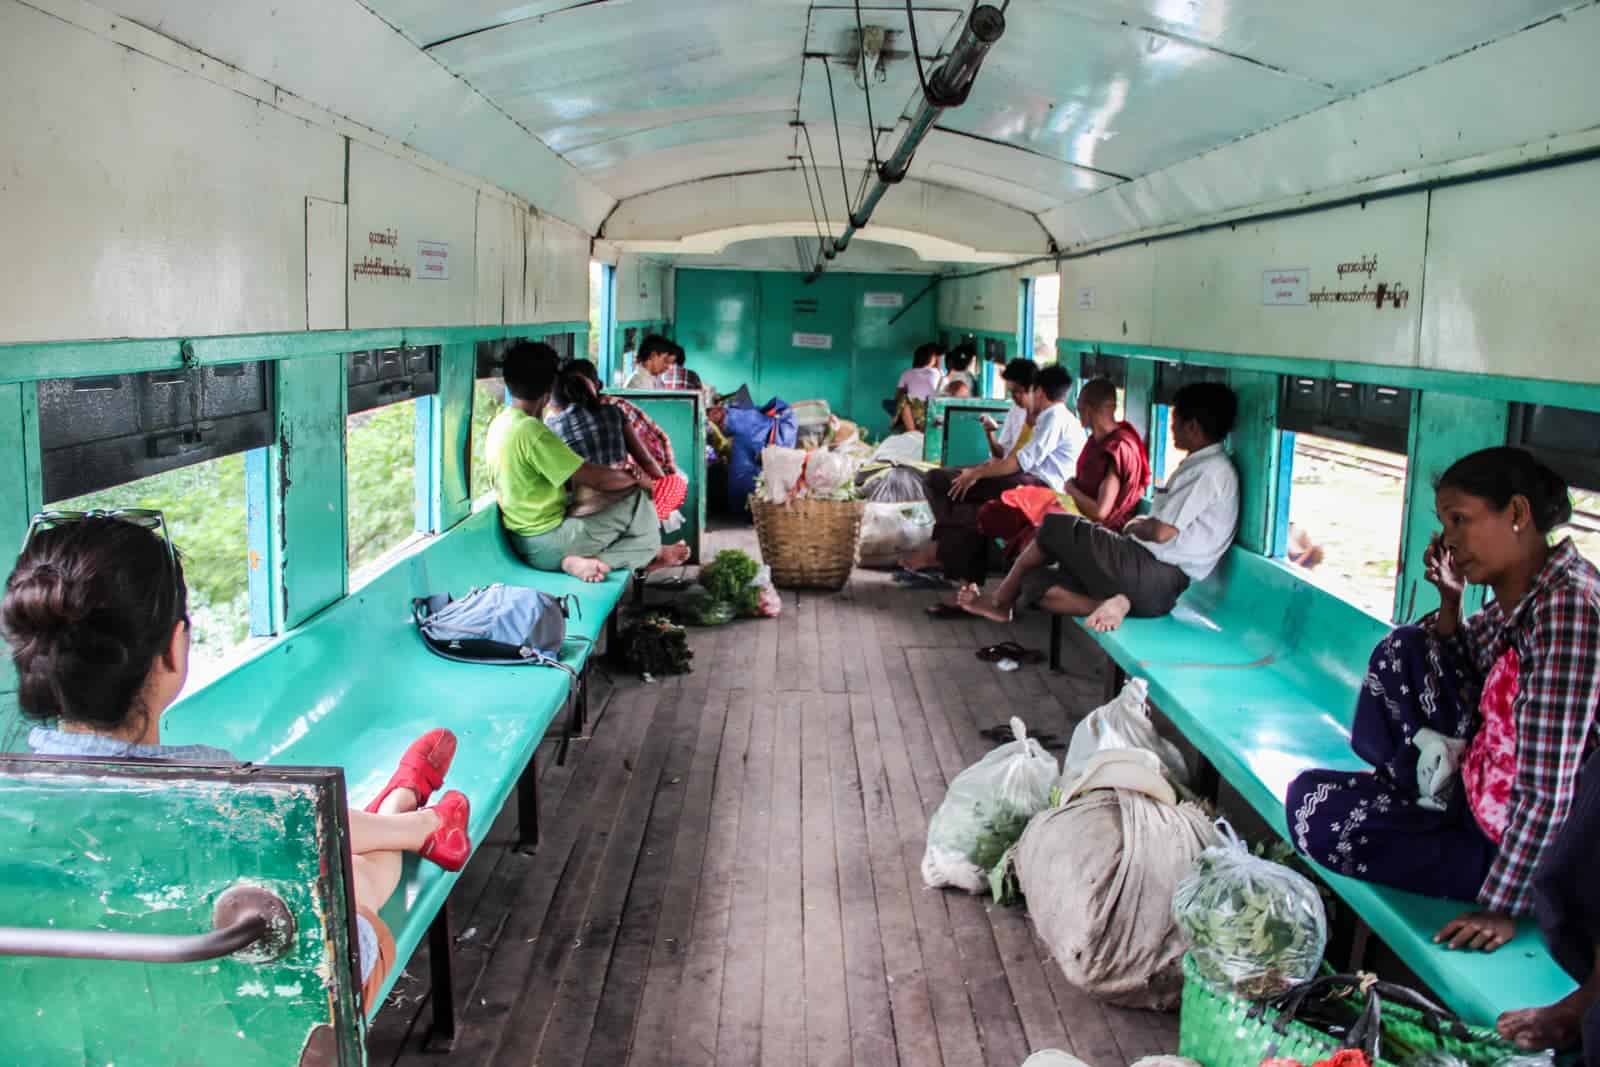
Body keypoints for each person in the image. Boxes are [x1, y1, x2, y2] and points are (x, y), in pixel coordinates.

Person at [1, 514, 474, 1011]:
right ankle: (411, 813)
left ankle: (410, 814)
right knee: (351, 884)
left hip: (82, 1016)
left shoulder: (20, 803)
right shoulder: (222, 791)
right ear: (172, 650)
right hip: (247, 1011)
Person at [1283, 448, 1600, 989]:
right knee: (1403, 651)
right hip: (1476, 798)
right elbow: (1452, 665)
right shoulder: (1524, 596)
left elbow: (1549, 787)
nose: (1449, 539)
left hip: (1521, 846)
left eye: (1460, 520)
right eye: (1444, 524)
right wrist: (1451, 602)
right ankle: (1417, 788)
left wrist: (1501, 906)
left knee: (1322, 818)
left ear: (1517, 513)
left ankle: (1449, 832)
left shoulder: (1567, 614)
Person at [957, 381, 1238, 632]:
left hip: (1154, 575)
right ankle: (1110, 603)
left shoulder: (1210, 472)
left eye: (1175, 420)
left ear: (1193, 427)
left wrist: (1135, 525)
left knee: (1055, 526)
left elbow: (1161, 532)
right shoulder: (1201, 467)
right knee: (1034, 582)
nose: (1172, 427)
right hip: (1146, 583)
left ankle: (999, 602)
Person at [486, 342, 685, 582]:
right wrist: (636, 479)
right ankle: (620, 558)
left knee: (630, 513)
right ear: (549, 387)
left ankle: (630, 555)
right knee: (639, 506)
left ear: (508, 381)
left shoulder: (501, 424)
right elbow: (598, 479)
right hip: (549, 543)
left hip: (524, 538)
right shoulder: (533, 432)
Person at [900, 364, 1084, 590]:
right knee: (966, 508)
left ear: (1039, 392)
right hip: (1025, 478)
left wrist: (975, 474)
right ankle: (963, 580)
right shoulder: (1051, 416)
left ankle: (942, 556)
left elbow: (1018, 462)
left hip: (1040, 487)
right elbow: (1008, 457)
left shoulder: (1053, 417)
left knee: (945, 485)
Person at [976, 377, 1150, 559]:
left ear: (1088, 409)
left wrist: (1070, 488)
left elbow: (1100, 512)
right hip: (1072, 507)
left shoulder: (1118, 447)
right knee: (995, 512)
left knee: (1034, 537)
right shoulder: (1095, 440)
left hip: (1097, 528)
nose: (1078, 412)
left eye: (1080, 407)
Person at [980, 359, 1039, 461]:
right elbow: (1000, 455)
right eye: (1011, 392)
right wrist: (989, 433)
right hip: (1008, 469)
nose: (1013, 397)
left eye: (1017, 391)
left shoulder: (1047, 417)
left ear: (1032, 388)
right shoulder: (1016, 410)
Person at [894, 343, 944, 433]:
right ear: (932, 359)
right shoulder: (938, 372)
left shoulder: (907, 373)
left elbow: (898, 395)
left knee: (904, 400)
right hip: (933, 414)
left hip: (914, 416)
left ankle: (912, 432)